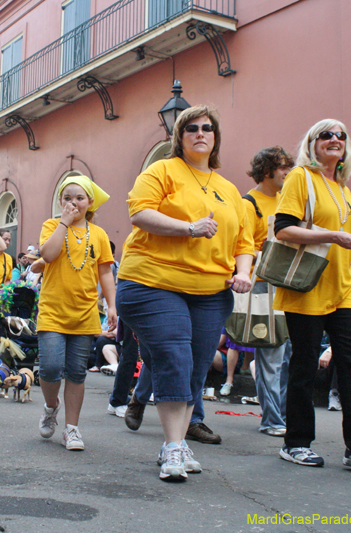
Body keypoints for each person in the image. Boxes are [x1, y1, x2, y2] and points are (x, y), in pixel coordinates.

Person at [116, 105, 253, 481]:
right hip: (152, 282)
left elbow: (245, 242)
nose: (200, 133)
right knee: (175, 355)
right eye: (191, 127)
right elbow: (139, 213)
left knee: (194, 368)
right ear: (180, 136)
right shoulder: (162, 170)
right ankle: (175, 447)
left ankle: (173, 443)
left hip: (210, 291)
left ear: (215, 136)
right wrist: (189, 228)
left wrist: (243, 273)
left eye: (207, 127)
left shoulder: (230, 191)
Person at [273, 118, 351, 469]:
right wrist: (331, 236)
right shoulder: (301, 177)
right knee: (305, 365)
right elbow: (283, 229)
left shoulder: (342, 187)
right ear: (312, 144)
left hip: (344, 289)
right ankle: (295, 442)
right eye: (325, 134)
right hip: (308, 287)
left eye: (340, 135)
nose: (334, 139)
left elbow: (348, 243)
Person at [37, 175, 116, 452]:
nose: (73, 203)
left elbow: (105, 272)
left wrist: (112, 306)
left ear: (90, 203)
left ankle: (71, 429)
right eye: (67, 198)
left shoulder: (99, 234)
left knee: (76, 373)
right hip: (52, 310)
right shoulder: (51, 225)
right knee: (49, 367)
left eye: (79, 198)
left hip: (85, 313)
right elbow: (47, 255)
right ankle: (50, 405)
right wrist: (64, 222)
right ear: (60, 202)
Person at [242, 145, 294, 437]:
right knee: (271, 355)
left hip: (288, 284)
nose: (288, 172)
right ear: (267, 170)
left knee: (286, 356)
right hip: (263, 285)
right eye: (283, 166)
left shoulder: (288, 200)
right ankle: (273, 419)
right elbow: (245, 246)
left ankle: (282, 415)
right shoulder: (250, 203)